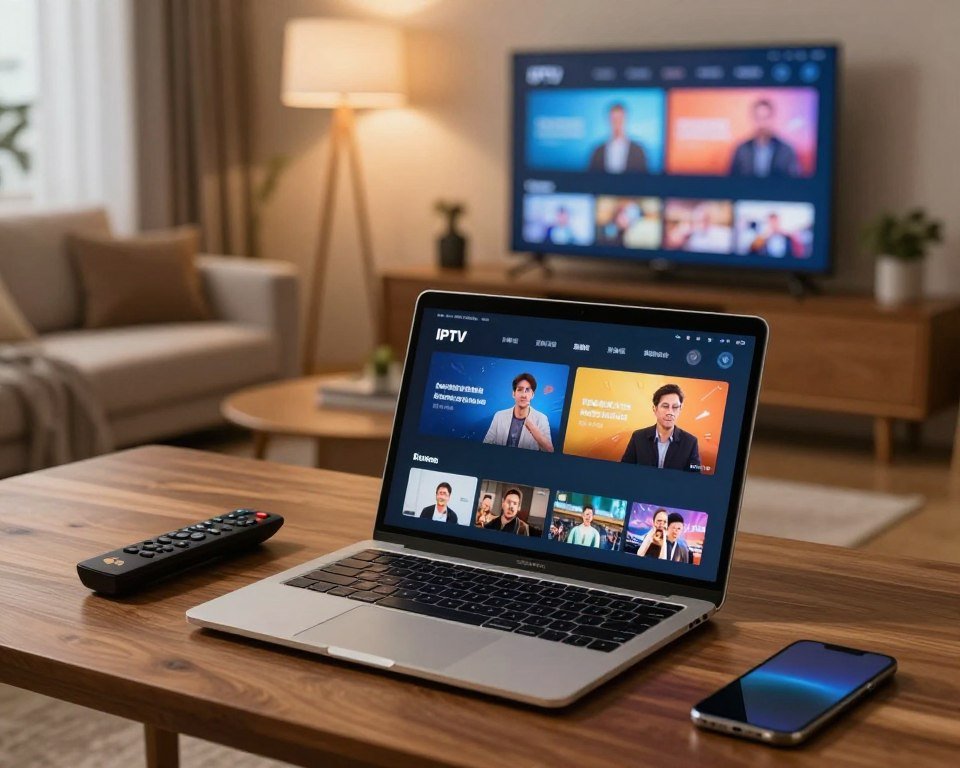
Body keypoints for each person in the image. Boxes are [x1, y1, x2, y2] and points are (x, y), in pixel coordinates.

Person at [620, 383, 702, 472]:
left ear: (680, 410)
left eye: (675, 407)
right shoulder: (638, 437)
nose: (670, 412)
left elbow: (694, 478)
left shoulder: (690, 442)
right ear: (655, 409)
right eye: (665, 406)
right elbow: (624, 471)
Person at [728, 98, 800, 178]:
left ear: (772, 119)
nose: (762, 124)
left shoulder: (786, 150)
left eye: (765, 118)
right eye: (758, 118)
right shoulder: (741, 150)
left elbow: (794, 182)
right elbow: (732, 182)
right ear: (753, 120)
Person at [483, 373, 554, 452]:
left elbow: (549, 450)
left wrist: (532, 427)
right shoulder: (499, 416)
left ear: (532, 395)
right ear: (513, 393)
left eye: (527, 390)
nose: (523, 395)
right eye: (520, 390)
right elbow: (486, 444)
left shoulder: (542, 419)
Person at [588, 102, 649, 174]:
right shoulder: (598, 150)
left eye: (620, 119)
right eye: (614, 119)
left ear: (625, 120)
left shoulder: (638, 150)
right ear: (608, 121)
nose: (617, 123)